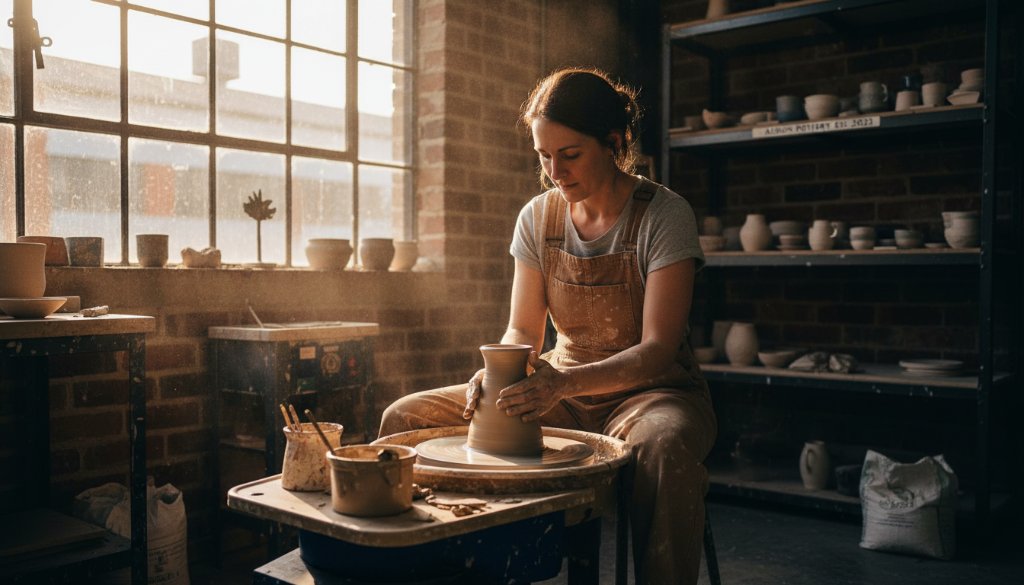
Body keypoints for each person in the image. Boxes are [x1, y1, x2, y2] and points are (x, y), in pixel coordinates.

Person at [379, 67, 717, 585]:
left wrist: (562, 383)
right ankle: (422, 572)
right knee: (406, 418)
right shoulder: (538, 218)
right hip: (561, 387)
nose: (555, 171)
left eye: (570, 154)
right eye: (543, 155)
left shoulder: (664, 216)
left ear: (613, 142)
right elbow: (521, 332)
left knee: (664, 446)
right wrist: (498, 374)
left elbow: (657, 348)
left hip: (653, 393)